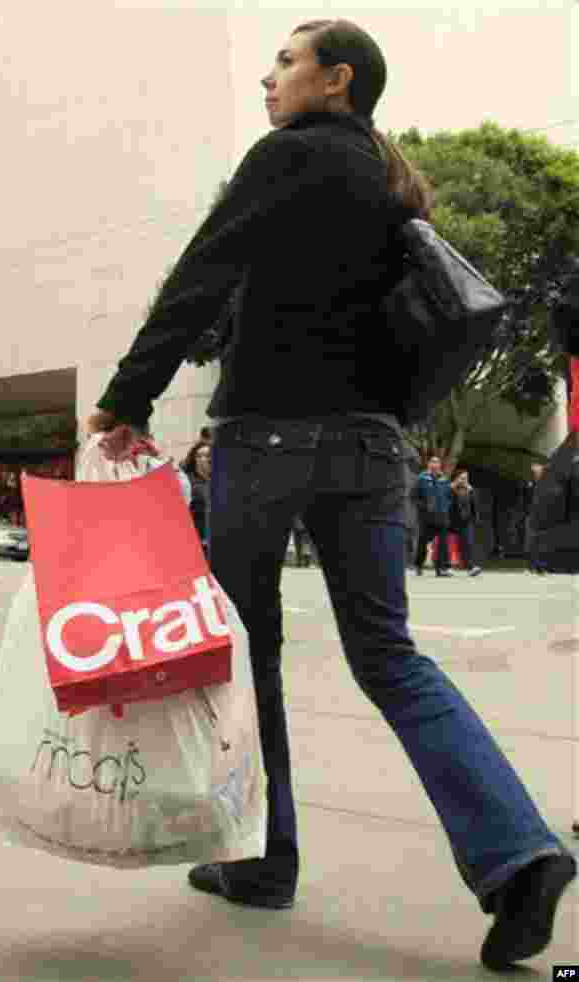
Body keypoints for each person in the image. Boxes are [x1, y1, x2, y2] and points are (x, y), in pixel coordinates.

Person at [84, 19, 574, 971]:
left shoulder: (286, 156)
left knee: (248, 651)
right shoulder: (393, 184)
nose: (270, 78)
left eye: (287, 61)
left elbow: (201, 272)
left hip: (267, 437)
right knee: (389, 654)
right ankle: (520, 853)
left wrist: (124, 397)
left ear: (337, 80)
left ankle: (265, 860)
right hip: (373, 448)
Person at [414, 455, 454, 576]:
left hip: (442, 517)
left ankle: (442, 568)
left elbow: (449, 496)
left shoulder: (444, 479)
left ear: (440, 465)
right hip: (427, 517)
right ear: (429, 465)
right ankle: (419, 565)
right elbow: (414, 497)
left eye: (437, 462)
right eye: (432, 462)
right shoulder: (422, 478)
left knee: (443, 543)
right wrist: (424, 507)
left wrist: (446, 508)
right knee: (422, 542)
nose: (435, 465)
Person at [449, 470, 482, 576]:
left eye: (466, 478)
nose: (464, 480)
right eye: (462, 478)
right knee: (449, 544)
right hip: (451, 520)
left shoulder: (469, 490)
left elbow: (474, 506)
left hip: (466, 521)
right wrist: (452, 487)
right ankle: (446, 567)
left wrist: (471, 491)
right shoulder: (450, 488)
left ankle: (471, 567)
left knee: (468, 544)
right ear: (456, 478)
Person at [182, 440, 211, 552]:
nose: (204, 459)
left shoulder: (219, 481)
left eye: (208, 455)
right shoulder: (188, 482)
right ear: (194, 459)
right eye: (199, 456)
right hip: (198, 544)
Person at [522, 463, 548, 574]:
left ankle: (540, 568)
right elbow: (524, 500)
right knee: (530, 542)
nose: (537, 473)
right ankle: (529, 567)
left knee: (541, 542)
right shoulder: (529, 484)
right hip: (531, 516)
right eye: (535, 471)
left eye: (539, 471)